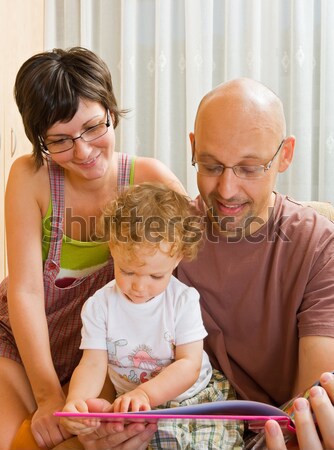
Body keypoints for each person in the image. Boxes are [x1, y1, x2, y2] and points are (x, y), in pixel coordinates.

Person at [74, 78, 334, 450]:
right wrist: (102, 431)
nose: (226, 190)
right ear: (193, 147)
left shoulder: (319, 246)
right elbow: (105, 366)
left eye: (250, 168)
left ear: (285, 155)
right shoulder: (162, 238)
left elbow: (312, 398)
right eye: (211, 165)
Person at [0, 47, 187, 450]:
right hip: (22, 340)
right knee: (13, 439)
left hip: (101, 347)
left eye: (93, 127)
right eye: (60, 140)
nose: (83, 152)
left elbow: (190, 254)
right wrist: (48, 396)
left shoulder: (148, 178)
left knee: (89, 438)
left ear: (111, 112)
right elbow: (27, 291)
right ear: (40, 140)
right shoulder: (29, 178)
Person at [60, 183, 243, 449]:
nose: (139, 287)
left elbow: (189, 365)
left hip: (197, 398)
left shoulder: (182, 300)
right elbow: (92, 364)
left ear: (177, 258)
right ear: (113, 248)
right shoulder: (99, 306)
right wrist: (76, 402)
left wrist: (145, 392)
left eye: (156, 276)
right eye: (128, 271)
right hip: (135, 406)